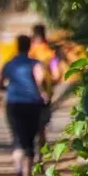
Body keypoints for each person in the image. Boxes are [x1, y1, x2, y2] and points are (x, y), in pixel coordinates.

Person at [0, 34, 49, 176]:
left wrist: (11, 88)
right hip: (32, 105)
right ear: (29, 47)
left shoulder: (9, 64)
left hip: (13, 104)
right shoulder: (35, 63)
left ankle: (18, 170)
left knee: (17, 139)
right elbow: (41, 80)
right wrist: (42, 93)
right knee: (29, 143)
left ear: (17, 46)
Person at [28, 24, 56, 163]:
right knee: (42, 129)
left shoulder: (28, 52)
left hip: (27, 95)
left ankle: (29, 153)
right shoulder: (50, 53)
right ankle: (41, 158)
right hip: (44, 96)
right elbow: (57, 74)